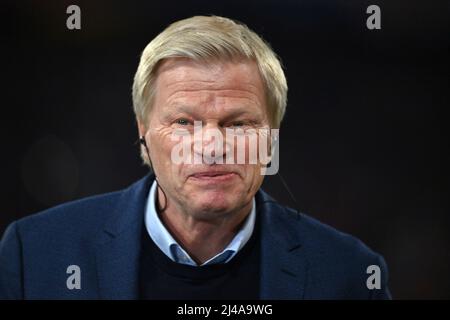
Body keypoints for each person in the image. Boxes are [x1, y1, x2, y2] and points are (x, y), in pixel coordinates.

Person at [0, 15, 390, 299]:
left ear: (271, 139)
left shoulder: (349, 274)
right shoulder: (34, 254)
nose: (211, 145)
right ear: (143, 132)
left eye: (237, 124)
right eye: (185, 122)